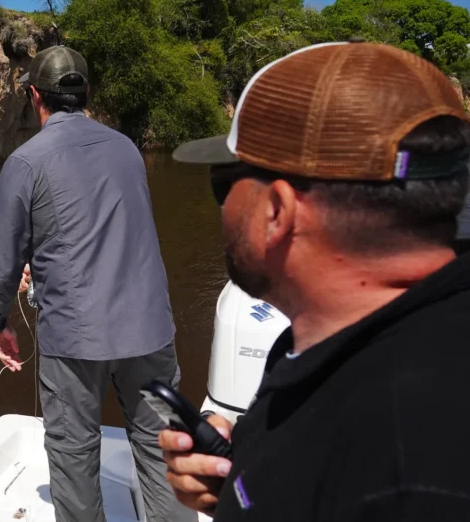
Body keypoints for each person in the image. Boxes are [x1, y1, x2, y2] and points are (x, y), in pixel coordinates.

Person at [162, 41, 470, 520]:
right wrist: (241, 475)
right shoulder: (331, 340)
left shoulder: (409, 474)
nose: (221, 208)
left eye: (223, 182)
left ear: (277, 211)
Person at [0, 45, 195, 522]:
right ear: (87, 93)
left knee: (74, 454)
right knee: (164, 447)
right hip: (151, 328)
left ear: (35, 95)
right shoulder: (127, 148)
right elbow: (111, 228)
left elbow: (3, 258)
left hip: (76, 338)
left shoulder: (24, 162)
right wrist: (44, 261)